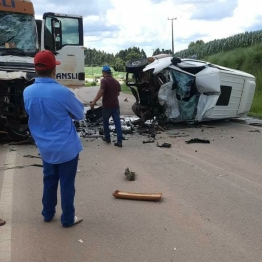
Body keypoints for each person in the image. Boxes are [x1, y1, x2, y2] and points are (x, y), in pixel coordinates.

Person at [23, 50, 84, 228]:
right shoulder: (62, 92)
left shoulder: (27, 92)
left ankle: (48, 214)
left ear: (36, 70)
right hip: (66, 147)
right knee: (66, 184)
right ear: (53, 70)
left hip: (45, 147)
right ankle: (67, 219)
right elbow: (80, 114)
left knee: (49, 180)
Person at [90, 65, 123, 147]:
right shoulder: (116, 82)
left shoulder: (104, 80)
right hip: (115, 105)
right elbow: (118, 93)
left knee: (105, 123)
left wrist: (94, 102)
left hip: (107, 106)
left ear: (104, 72)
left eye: (102, 72)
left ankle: (107, 138)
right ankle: (119, 141)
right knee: (117, 123)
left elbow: (101, 91)